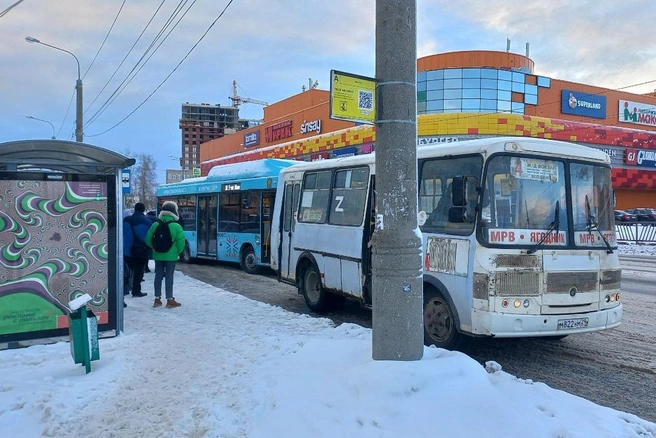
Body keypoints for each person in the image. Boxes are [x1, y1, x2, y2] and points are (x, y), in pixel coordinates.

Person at [146, 201, 186, 308]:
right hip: (171, 256)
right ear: (174, 212)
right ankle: (169, 300)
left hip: (158, 255)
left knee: (158, 276)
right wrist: (177, 252)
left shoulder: (155, 224)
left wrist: (154, 248)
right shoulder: (176, 226)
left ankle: (157, 299)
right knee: (169, 277)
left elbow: (148, 239)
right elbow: (181, 243)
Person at [123, 202, 152, 298]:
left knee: (126, 271)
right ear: (143, 210)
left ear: (135, 209)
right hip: (141, 251)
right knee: (139, 271)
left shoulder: (125, 220)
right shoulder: (147, 222)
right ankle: (136, 291)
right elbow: (149, 238)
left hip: (126, 251)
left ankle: (124, 289)